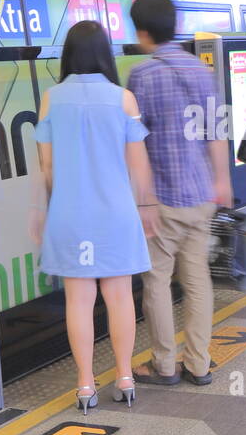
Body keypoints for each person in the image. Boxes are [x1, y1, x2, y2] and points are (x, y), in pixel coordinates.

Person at [34, 21, 155, 413]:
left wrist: (45, 210)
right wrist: (148, 208)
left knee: (78, 299)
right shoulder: (124, 99)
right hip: (116, 212)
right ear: (106, 54)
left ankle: (85, 384)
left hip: (70, 213)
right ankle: (124, 376)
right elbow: (138, 165)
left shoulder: (51, 99)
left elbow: (47, 168)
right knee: (119, 296)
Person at [125, 0, 232, 387]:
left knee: (156, 281)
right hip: (201, 195)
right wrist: (221, 181)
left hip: (163, 200)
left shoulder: (142, 75)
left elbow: (136, 142)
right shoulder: (200, 71)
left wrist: (144, 199)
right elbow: (216, 131)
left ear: (142, 31)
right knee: (197, 279)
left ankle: (165, 364)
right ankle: (199, 364)